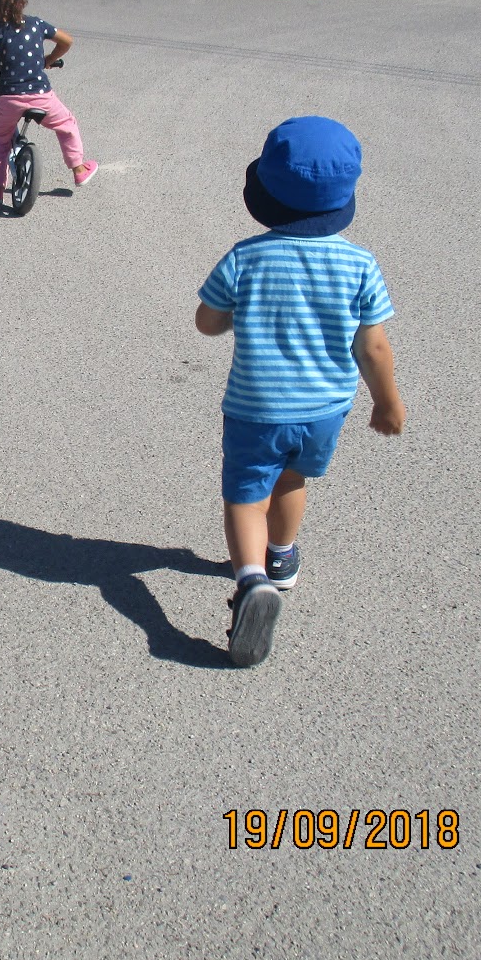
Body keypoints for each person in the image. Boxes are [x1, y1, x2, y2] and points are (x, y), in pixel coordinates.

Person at [194, 116, 405, 668]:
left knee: (246, 494)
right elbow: (373, 347)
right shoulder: (360, 264)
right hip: (324, 410)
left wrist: (233, 315)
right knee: (292, 478)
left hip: (257, 407)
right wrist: (387, 402)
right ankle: (281, 559)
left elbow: (207, 322)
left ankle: (251, 581)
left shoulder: (244, 257)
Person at [0, 0, 97, 202]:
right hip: (41, 96)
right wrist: (48, 59)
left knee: (0, 141)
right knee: (67, 125)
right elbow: (67, 40)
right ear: (22, 1)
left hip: (9, 98)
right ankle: (78, 169)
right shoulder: (36, 24)